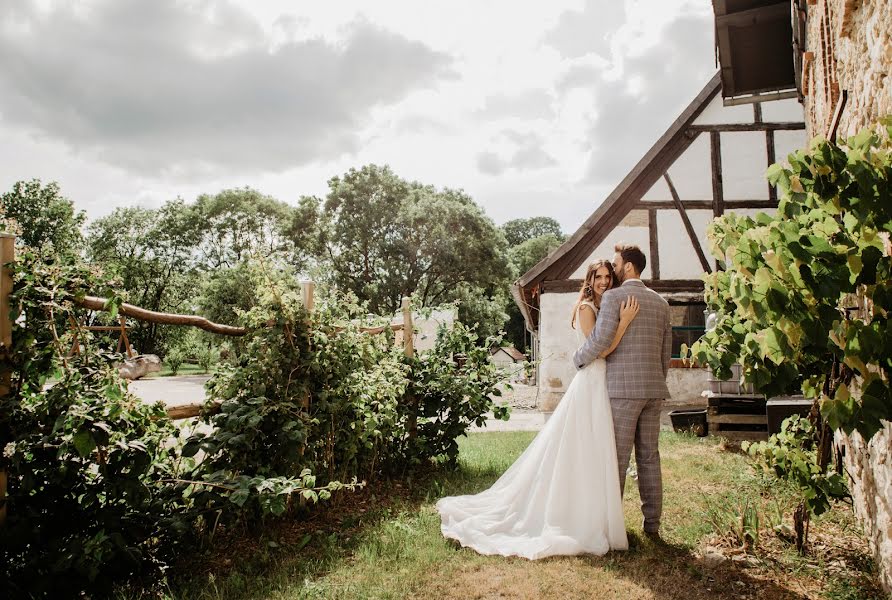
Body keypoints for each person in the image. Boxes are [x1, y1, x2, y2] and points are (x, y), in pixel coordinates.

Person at [436, 259, 639, 559]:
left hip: (602, 383)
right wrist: (624, 324)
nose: (604, 282)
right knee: (581, 446)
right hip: (590, 383)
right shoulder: (586, 307)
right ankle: (571, 514)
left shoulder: (605, 304)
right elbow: (599, 349)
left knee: (595, 448)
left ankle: (594, 511)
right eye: (599, 277)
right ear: (590, 278)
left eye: (608, 276)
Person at [573, 244, 672, 540]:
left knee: (616, 458)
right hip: (654, 389)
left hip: (622, 391)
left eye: (616, 264)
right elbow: (666, 353)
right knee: (649, 457)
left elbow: (601, 341)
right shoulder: (661, 303)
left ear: (628, 266)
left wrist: (577, 359)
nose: (613, 270)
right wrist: (655, 380)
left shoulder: (615, 297)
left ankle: (610, 526)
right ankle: (652, 525)